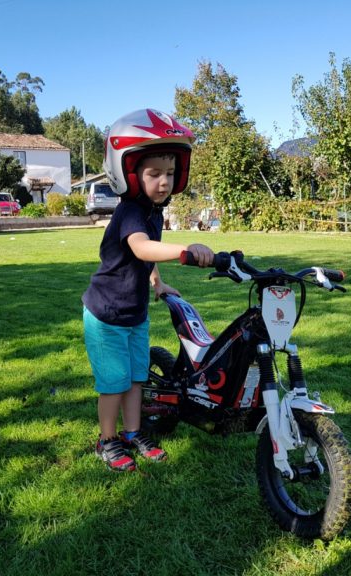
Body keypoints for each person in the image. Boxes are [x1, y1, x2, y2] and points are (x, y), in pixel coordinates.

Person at [82, 109, 214, 471]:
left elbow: (144, 259)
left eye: (170, 173)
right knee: (114, 383)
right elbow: (141, 247)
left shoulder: (153, 213)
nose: (164, 182)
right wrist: (184, 252)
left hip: (134, 312)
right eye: (155, 173)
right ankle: (106, 440)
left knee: (137, 378)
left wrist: (156, 282)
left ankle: (133, 433)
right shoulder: (130, 213)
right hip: (106, 315)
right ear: (130, 173)